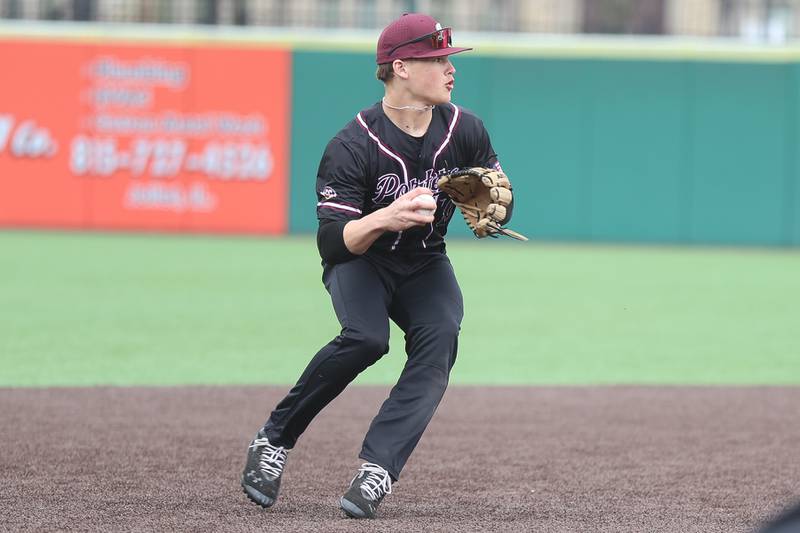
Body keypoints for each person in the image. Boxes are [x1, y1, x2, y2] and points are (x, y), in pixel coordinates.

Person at [241, 12, 514, 519]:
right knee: (367, 338)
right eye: (438, 59)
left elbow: (496, 192)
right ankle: (273, 440)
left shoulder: (465, 128)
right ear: (402, 66)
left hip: (425, 261)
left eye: (450, 59)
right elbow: (332, 244)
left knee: (440, 338)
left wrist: (494, 209)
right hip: (361, 260)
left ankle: (378, 469)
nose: (451, 69)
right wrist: (386, 216)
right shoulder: (353, 144)